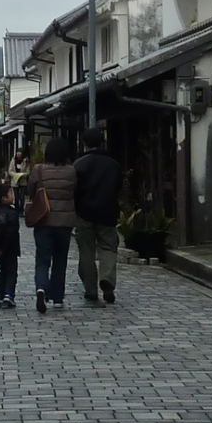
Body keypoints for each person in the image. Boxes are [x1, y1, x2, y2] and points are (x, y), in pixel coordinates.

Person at [26, 136, 77, 312]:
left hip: (43, 220)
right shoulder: (72, 171)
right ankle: (57, 298)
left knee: (42, 259)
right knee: (60, 259)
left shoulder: (38, 170)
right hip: (65, 222)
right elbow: (75, 191)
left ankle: (41, 288)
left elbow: (30, 190)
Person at [73, 127, 123, 305]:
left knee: (86, 251)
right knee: (109, 247)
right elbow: (118, 188)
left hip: (84, 213)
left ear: (85, 144)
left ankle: (90, 289)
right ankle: (107, 280)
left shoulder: (78, 164)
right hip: (108, 213)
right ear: (102, 142)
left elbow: (74, 190)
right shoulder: (113, 164)